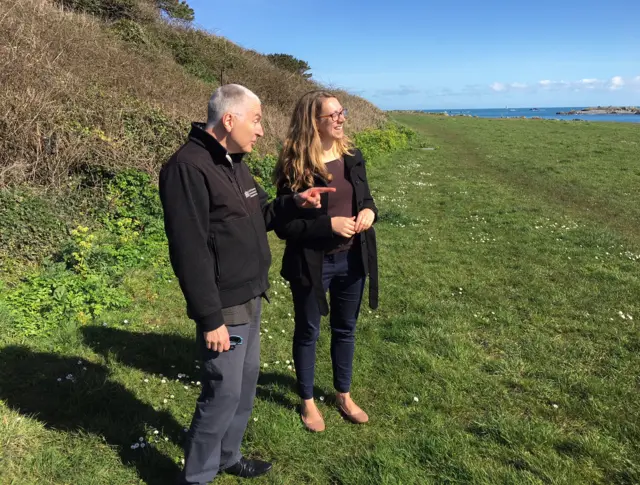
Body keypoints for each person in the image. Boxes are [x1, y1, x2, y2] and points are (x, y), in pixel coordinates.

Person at [159, 84, 334, 484]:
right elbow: (189, 252)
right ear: (229, 119)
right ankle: (197, 477)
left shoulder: (235, 161)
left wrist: (295, 202)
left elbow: (258, 216)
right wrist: (210, 318)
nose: (261, 130)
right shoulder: (188, 168)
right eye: (256, 120)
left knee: (244, 386)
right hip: (224, 306)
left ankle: (227, 457)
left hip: (252, 293)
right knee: (221, 393)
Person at [273, 91, 379, 433]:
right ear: (312, 122)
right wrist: (327, 225)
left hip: (353, 260)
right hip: (312, 263)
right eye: (332, 115)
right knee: (308, 331)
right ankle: (307, 400)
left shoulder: (352, 156)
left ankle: (343, 394)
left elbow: (368, 200)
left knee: (345, 330)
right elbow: (284, 224)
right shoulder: (296, 165)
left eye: (341, 112)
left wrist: (368, 212)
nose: (341, 119)